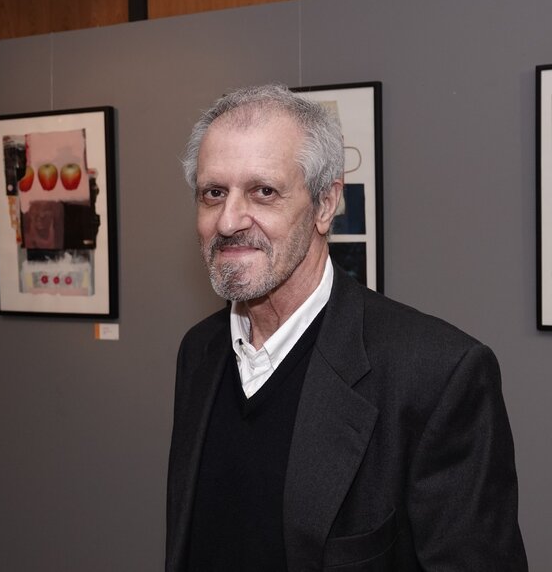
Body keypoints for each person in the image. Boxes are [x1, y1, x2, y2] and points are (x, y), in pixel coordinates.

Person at [166, 84, 528, 571]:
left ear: (324, 204)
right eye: (214, 193)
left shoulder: (437, 376)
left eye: (263, 192)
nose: (229, 221)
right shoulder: (200, 352)